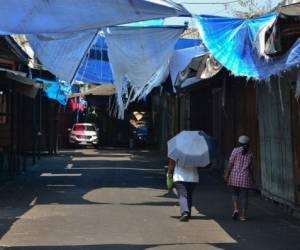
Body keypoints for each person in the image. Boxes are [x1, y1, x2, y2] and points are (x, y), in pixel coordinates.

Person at [224, 135, 253, 221]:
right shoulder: (251, 153)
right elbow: (250, 168)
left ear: (239, 143)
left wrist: (226, 174)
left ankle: (236, 209)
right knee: (244, 197)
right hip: (245, 176)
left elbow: (230, 164)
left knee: (235, 194)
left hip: (234, 176)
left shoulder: (235, 151)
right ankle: (243, 216)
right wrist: (252, 178)